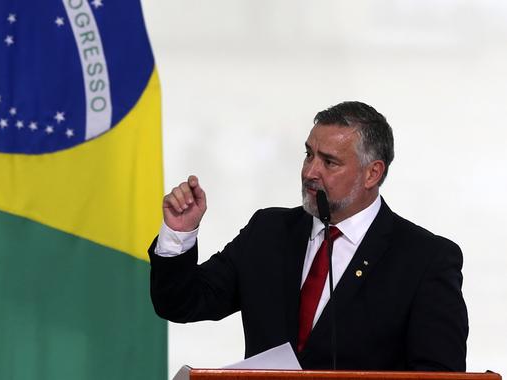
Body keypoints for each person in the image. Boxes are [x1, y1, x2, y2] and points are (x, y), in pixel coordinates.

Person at [148, 101, 468, 371]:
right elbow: (181, 303)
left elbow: (439, 375)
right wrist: (179, 233)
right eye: (308, 154)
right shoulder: (268, 232)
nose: (310, 172)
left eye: (329, 162)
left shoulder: (425, 260)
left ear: (373, 173)